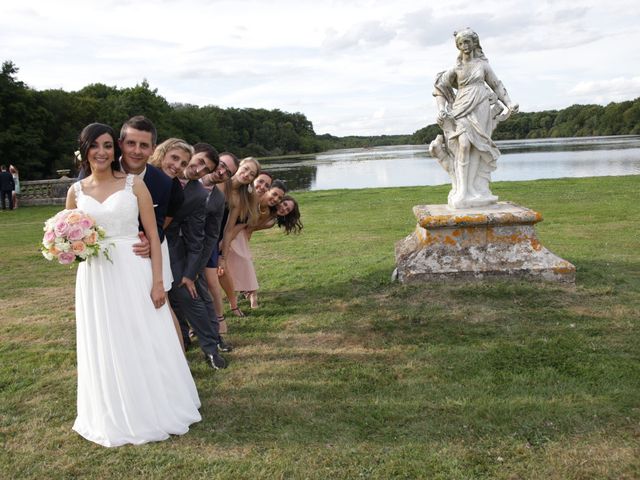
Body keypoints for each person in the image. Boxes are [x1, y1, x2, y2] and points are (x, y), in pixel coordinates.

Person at [64, 123, 200, 447]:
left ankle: (157, 403)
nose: (101, 152)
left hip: (133, 268)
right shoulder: (76, 192)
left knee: (144, 334)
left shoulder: (134, 185)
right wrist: (66, 247)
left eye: (107, 146)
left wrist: (157, 284)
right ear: (84, 150)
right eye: (95, 146)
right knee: (106, 338)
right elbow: (70, 236)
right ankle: (112, 408)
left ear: (115, 149)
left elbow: (153, 234)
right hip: (95, 277)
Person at [430, 27, 518, 209]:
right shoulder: (456, 67)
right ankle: (462, 190)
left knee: (478, 147)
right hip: (461, 107)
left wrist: (509, 103)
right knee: (463, 144)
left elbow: (496, 84)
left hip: (481, 107)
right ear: (458, 46)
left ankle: (475, 189)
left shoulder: (483, 65)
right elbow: (439, 87)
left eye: (467, 42)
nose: (464, 46)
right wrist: (440, 109)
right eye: (461, 43)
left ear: (474, 43)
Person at [165, 145, 229, 368]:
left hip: (173, 249)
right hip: (140, 245)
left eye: (205, 169)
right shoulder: (157, 171)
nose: (198, 169)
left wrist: (191, 272)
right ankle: (181, 338)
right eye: (199, 161)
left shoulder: (199, 194)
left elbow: (198, 236)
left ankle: (211, 348)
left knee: (188, 295)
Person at [148, 138, 194, 352]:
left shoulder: (175, 192)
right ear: (162, 153)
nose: (177, 166)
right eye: (174, 158)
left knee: (161, 300)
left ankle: (178, 356)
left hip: (155, 245)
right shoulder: (142, 173)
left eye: (184, 163)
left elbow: (160, 226)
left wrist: (148, 242)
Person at [229, 179, 287, 309]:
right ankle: (246, 293)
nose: (276, 199)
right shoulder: (252, 198)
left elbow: (250, 229)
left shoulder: (267, 213)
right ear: (267, 190)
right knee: (240, 262)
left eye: (280, 197)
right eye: (274, 194)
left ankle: (249, 294)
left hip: (241, 235)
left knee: (244, 261)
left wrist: (245, 244)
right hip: (230, 229)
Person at [217, 157, 261, 317]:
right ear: (238, 167)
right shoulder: (220, 182)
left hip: (217, 237)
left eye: (252, 174)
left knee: (220, 271)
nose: (247, 174)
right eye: (246, 168)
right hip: (200, 232)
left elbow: (229, 230)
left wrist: (223, 255)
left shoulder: (240, 198)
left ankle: (230, 306)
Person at [201, 152, 239, 332]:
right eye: (221, 164)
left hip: (205, 241)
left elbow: (218, 227)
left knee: (212, 280)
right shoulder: (189, 176)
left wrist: (220, 255)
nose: (223, 171)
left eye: (228, 172)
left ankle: (219, 317)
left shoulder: (219, 196)